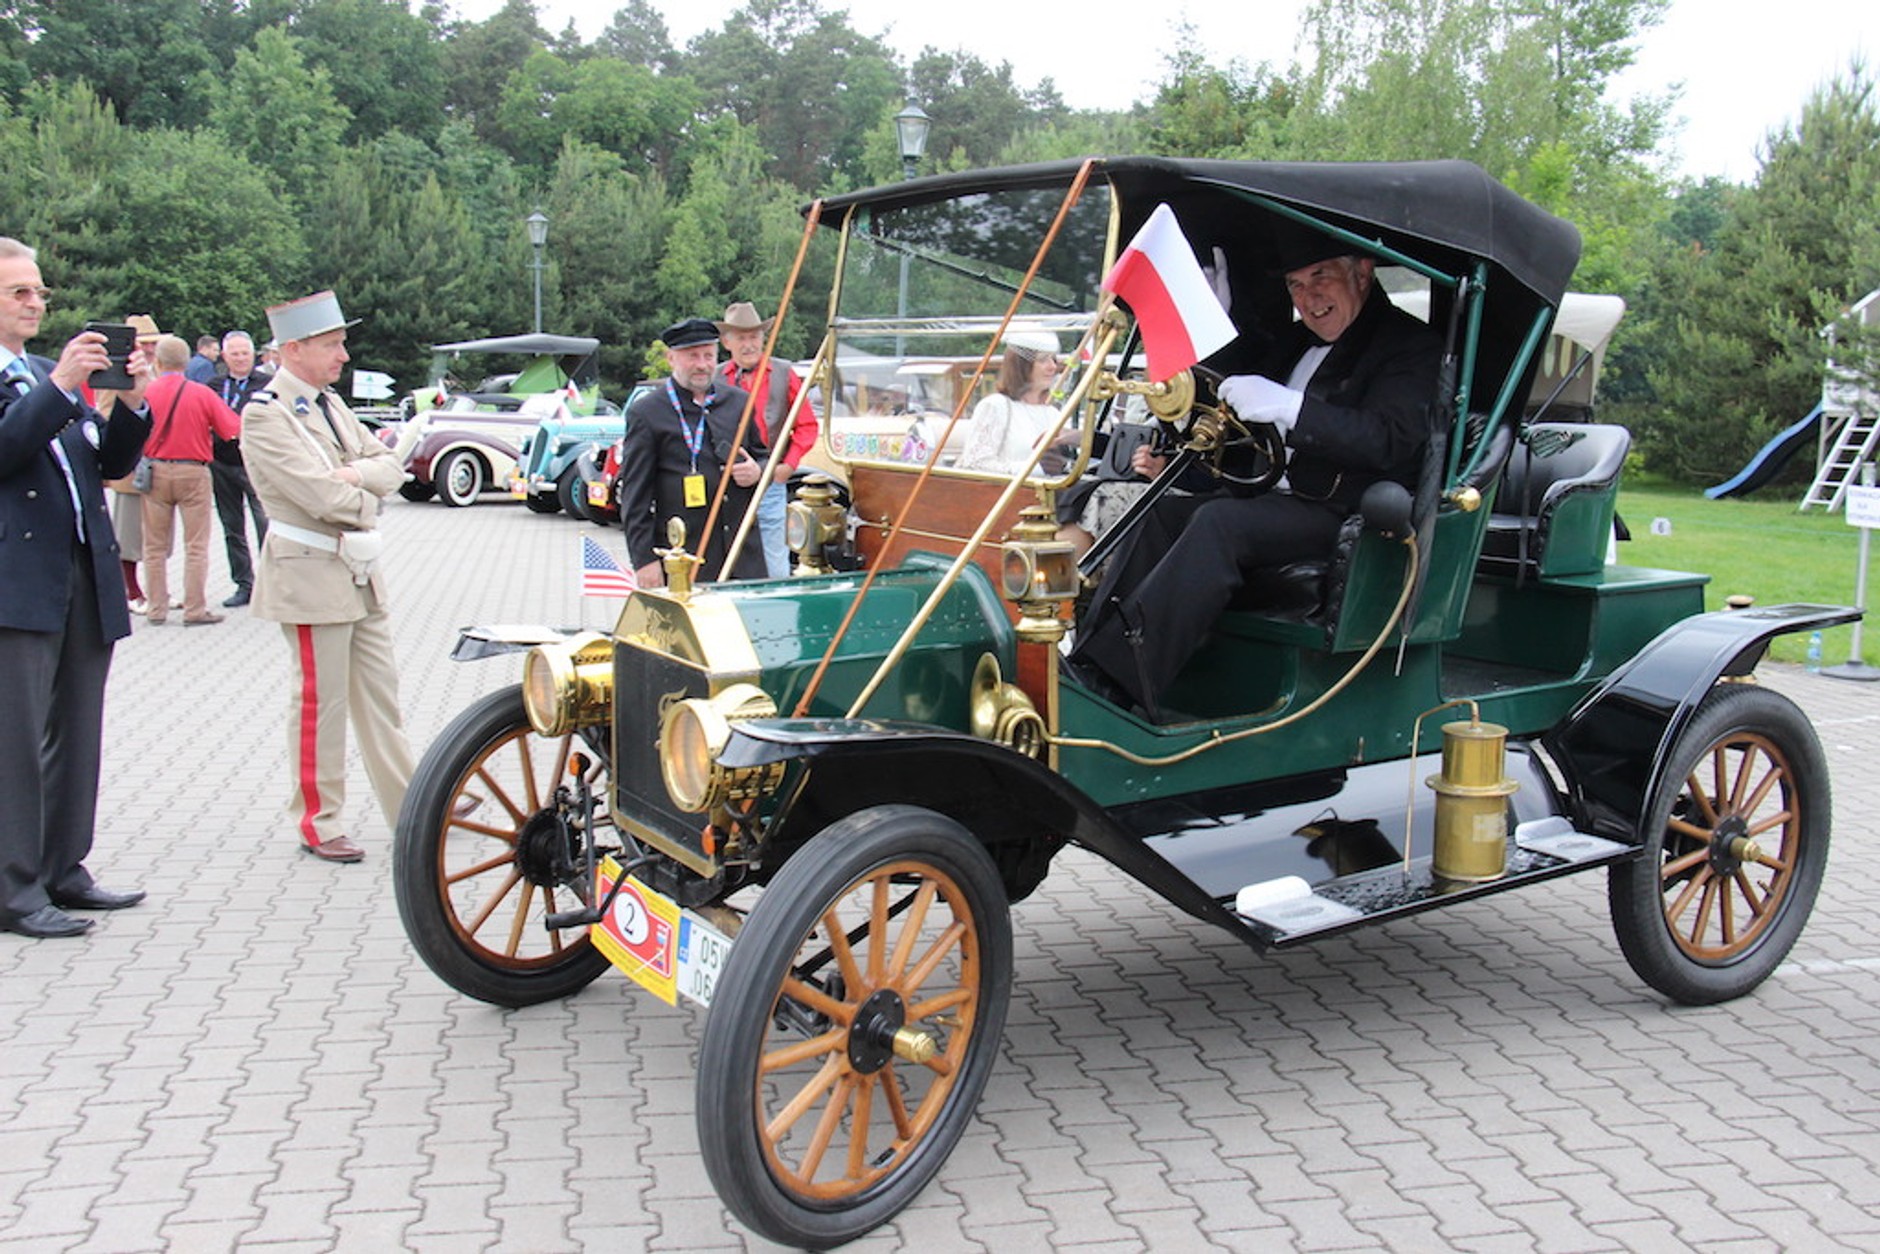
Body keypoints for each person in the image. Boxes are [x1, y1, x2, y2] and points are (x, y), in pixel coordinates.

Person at [1068, 235, 1443, 721]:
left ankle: (1121, 681)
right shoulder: (1292, 342)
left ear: (1362, 274)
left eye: (1321, 278)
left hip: (1344, 511)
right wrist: (1208, 334)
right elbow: (1226, 389)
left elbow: (1389, 439)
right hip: (1269, 495)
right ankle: (1088, 663)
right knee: (1158, 510)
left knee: (1220, 522)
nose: (1309, 297)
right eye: (1296, 285)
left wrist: (1295, 408)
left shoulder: (1408, 345)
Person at [0, 236, 152, 938]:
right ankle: (14, 890)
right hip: (18, 584)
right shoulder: (46, 378)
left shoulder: (37, 370)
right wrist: (63, 386)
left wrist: (132, 401)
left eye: (39, 292)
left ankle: (64, 868)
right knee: (17, 742)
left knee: (77, 735)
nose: (36, 303)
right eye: (19, 293)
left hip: (80, 578)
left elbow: (106, 460)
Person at [241, 291, 415, 864]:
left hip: (356, 572)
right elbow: (319, 494)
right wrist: (367, 496)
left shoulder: (328, 404)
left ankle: (409, 802)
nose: (343, 354)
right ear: (294, 349)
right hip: (311, 574)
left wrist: (358, 477)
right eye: (332, 343)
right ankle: (319, 820)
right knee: (322, 704)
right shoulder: (266, 414)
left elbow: (390, 464)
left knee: (380, 698)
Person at [618, 317, 768, 587]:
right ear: (671, 358)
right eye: (692, 356)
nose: (702, 364)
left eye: (708, 356)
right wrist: (644, 561)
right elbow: (634, 496)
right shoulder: (647, 413)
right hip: (684, 559)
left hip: (743, 556)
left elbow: (763, 456)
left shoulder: (738, 402)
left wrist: (758, 471)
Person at [139, 334, 241, 626]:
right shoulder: (201, 393)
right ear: (187, 362)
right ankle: (194, 609)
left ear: (157, 362)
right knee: (196, 544)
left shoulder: (147, 392)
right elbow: (230, 429)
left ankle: (156, 608)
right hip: (193, 471)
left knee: (154, 546)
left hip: (155, 471)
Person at [716, 302, 819, 578]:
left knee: (775, 561)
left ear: (763, 338)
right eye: (741, 337)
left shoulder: (784, 374)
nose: (749, 344)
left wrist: (787, 466)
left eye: (754, 336)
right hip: (725, 485)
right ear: (727, 342)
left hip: (770, 482)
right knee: (727, 557)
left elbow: (807, 425)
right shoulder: (714, 377)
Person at [210, 330, 271, 607]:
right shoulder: (213, 385)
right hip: (222, 462)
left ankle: (272, 585)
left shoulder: (268, 384)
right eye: (234, 353)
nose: (240, 358)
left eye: (244, 353)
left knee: (266, 524)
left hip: (256, 464)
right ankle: (244, 584)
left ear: (253, 355)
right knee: (232, 526)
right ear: (225, 356)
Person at [955, 331, 1064, 475]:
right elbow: (974, 464)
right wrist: (1035, 469)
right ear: (1021, 365)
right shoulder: (996, 407)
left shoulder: (1053, 414)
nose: (1052, 367)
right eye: (1043, 360)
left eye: (1053, 359)